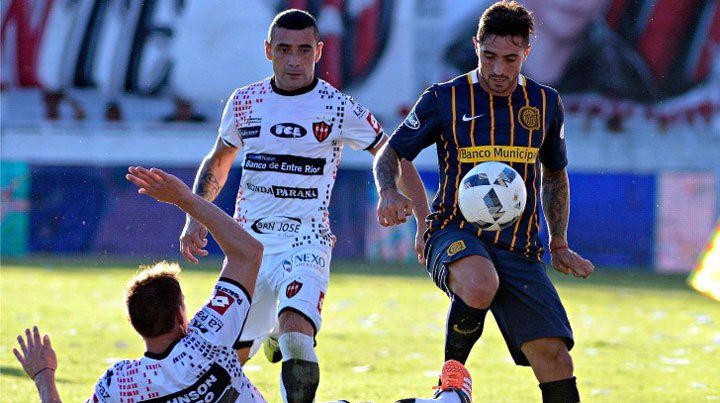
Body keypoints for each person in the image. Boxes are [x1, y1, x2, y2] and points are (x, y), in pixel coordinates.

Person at [179, 8, 429, 403]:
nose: (294, 60)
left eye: (303, 50)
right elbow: (219, 159)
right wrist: (196, 215)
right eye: (284, 49)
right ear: (268, 50)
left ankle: (285, 332)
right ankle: (270, 334)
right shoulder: (244, 102)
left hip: (306, 241)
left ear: (319, 51)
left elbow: (391, 151)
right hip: (248, 247)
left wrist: (414, 212)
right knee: (220, 371)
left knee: (297, 338)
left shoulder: (337, 107)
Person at [374, 2, 595, 403]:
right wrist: (390, 192)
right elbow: (392, 153)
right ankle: (451, 382)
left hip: (519, 248)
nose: (498, 69)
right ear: (476, 45)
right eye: (489, 56)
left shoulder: (545, 103)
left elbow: (554, 174)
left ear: (526, 52)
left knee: (555, 359)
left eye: (510, 59)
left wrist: (559, 242)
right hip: (453, 231)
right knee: (480, 283)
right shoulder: (445, 97)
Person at [14, 166, 266, 402]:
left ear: (135, 323)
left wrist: (43, 375)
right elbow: (248, 253)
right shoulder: (209, 338)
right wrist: (185, 199)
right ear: (180, 316)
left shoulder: (120, 384)